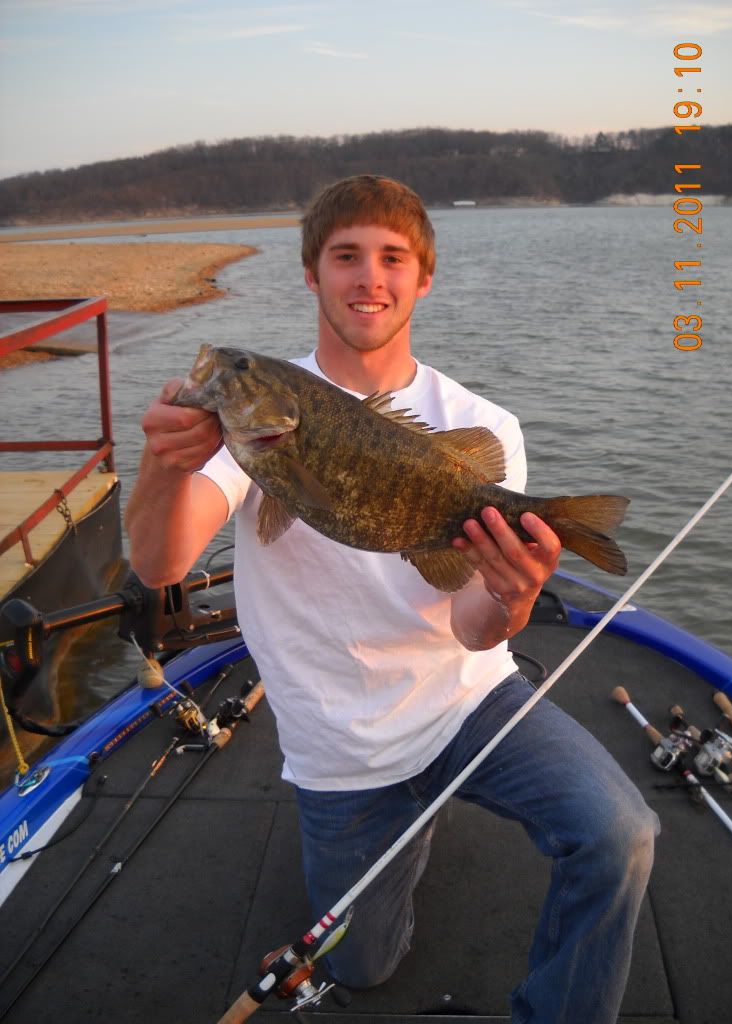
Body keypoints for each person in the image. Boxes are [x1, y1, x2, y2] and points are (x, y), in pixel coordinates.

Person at [126, 174, 659, 1023]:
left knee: (621, 834)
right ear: (312, 274)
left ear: (422, 278)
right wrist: (163, 466)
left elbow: (473, 625)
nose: (368, 276)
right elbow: (161, 562)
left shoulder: (481, 423)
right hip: (339, 743)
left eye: (391, 258)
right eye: (345, 256)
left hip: (465, 703)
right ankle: (401, 830)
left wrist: (513, 604)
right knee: (366, 967)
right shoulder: (260, 422)